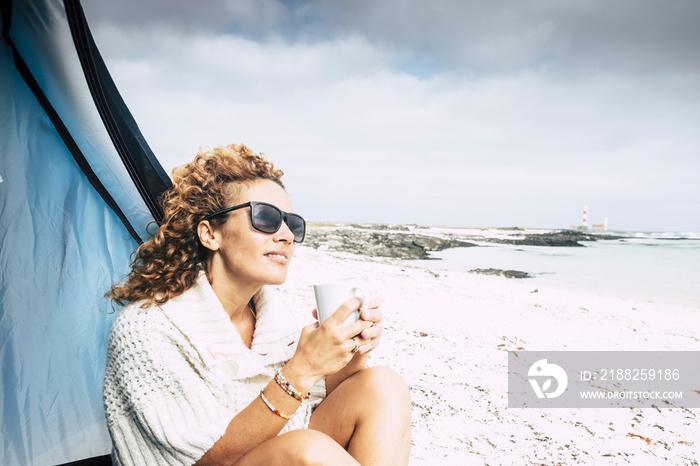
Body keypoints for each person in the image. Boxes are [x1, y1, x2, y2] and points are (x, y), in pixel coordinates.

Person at [102, 144, 412, 465]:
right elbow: (207, 458)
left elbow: (314, 397)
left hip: (264, 453)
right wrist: (302, 368)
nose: (286, 235)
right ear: (210, 234)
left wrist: (351, 349)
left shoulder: (271, 316)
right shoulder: (147, 327)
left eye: (292, 224)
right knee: (306, 448)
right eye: (265, 217)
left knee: (381, 386)